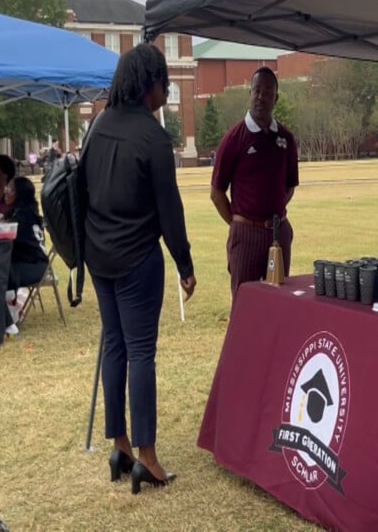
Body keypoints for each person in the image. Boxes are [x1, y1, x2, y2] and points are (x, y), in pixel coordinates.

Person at [80, 44, 197, 494]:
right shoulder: (152, 137)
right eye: (163, 81)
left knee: (114, 346)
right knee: (141, 352)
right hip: (136, 260)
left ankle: (120, 444)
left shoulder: (97, 126)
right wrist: (185, 263)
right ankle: (147, 457)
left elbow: (83, 192)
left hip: (100, 256)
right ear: (150, 84)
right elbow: (170, 210)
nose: (166, 89)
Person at [210, 67, 298, 299]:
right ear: (250, 94)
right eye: (257, 91)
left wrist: (274, 214)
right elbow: (217, 193)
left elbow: (289, 186)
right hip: (246, 236)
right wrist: (240, 223)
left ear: (276, 98)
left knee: (279, 304)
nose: (261, 97)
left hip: (279, 235)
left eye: (267, 92)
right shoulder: (234, 139)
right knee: (245, 304)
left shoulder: (286, 139)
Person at [1, 176, 48, 331]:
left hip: (35, 266)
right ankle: (6, 312)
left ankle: (9, 319)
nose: (6, 191)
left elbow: (3, 236)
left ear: (20, 194)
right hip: (29, 262)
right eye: (7, 187)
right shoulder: (22, 211)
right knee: (2, 268)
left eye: (11, 189)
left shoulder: (23, 216)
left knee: (2, 272)